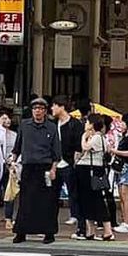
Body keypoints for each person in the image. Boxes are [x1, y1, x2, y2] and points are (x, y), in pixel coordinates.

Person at [9, 96, 61, 244]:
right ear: (32, 111)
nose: (38, 111)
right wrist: (13, 162)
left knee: (47, 202)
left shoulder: (51, 126)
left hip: (45, 168)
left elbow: (56, 151)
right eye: (35, 109)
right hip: (28, 167)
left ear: (45, 111)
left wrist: (53, 169)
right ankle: (21, 232)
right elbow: (17, 147)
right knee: (25, 201)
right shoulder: (24, 125)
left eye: (41, 109)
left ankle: (49, 233)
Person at [72, 112, 114, 240]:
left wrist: (83, 137)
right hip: (88, 169)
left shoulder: (96, 137)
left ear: (92, 124)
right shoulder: (97, 137)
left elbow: (84, 147)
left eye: (87, 122)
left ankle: (107, 230)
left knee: (96, 200)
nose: (85, 124)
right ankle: (90, 230)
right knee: (87, 200)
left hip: (90, 171)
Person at [51, 97, 83, 228]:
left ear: (62, 107)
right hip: (54, 163)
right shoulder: (53, 124)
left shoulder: (75, 124)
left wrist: (75, 160)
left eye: (54, 106)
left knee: (73, 191)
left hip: (69, 162)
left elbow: (78, 145)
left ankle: (75, 215)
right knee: (52, 192)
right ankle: (51, 217)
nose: (52, 109)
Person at [111, 112, 128, 233]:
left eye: (123, 122)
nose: (121, 124)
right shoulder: (123, 136)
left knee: (126, 195)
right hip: (121, 167)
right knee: (122, 196)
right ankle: (124, 220)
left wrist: (115, 151)